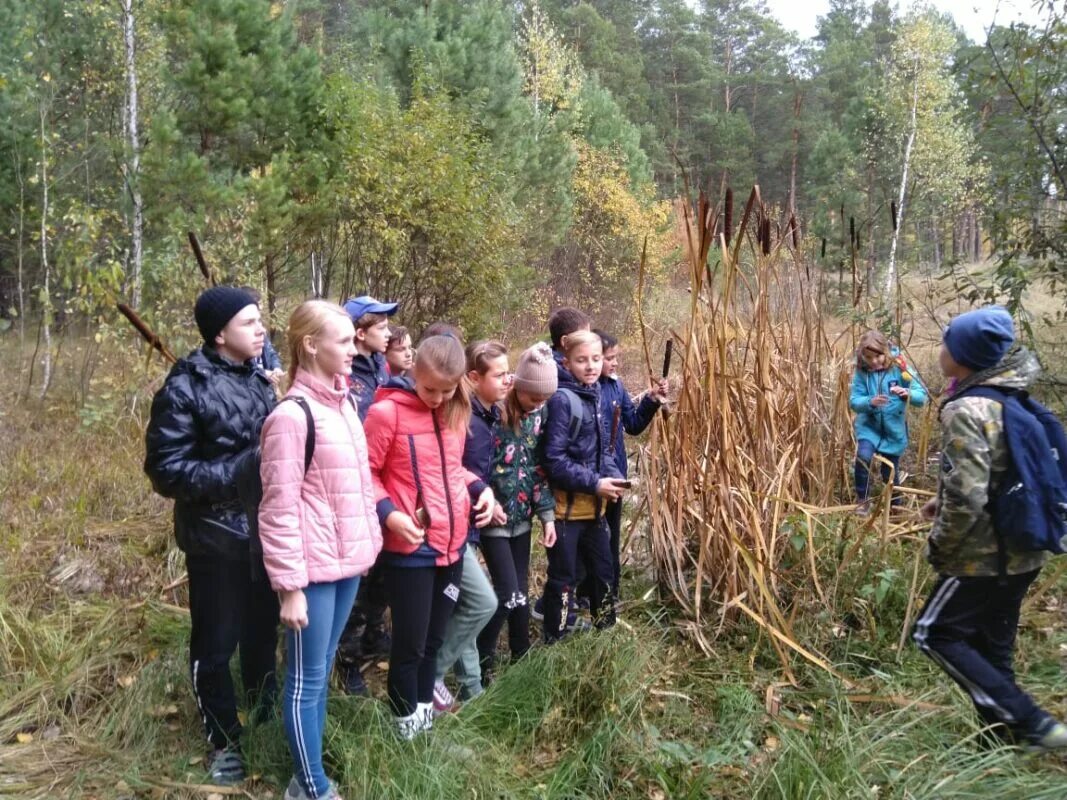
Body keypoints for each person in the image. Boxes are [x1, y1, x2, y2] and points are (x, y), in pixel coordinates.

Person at [914, 306, 1067, 752]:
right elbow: (997, 473)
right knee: (991, 646)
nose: (940, 349)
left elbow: (967, 498)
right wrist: (941, 499)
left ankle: (1032, 724)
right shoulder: (1010, 395)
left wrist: (940, 545)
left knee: (934, 632)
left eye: (946, 342)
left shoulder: (966, 407)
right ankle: (998, 745)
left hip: (982, 556)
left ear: (963, 355)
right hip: (1025, 548)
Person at [144, 286, 278, 786]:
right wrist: (242, 470)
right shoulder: (184, 387)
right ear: (220, 334)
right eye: (249, 322)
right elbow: (166, 471)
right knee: (216, 645)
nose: (261, 329)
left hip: (265, 535)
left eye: (260, 320)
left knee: (264, 636)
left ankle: (266, 720)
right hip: (215, 540)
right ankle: (223, 738)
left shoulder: (260, 382)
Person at [258, 300, 382, 800]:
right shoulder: (292, 417)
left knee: (321, 667)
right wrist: (289, 588)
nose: (354, 350)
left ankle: (307, 773)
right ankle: (311, 788)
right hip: (312, 570)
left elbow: (356, 484)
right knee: (306, 679)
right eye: (345, 341)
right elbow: (279, 506)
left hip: (348, 561)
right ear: (311, 345)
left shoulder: (344, 405)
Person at [363, 335, 496, 738]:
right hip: (411, 549)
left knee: (434, 642)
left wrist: (481, 489)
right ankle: (406, 728)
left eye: (447, 389)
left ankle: (422, 718)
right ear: (413, 375)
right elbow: (364, 473)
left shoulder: (454, 413)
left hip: (452, 546)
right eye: (428, 389)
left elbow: (452, 471)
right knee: (410, 645)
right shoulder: (387, 414)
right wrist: (388, 514)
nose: (437, 397)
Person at [432, 340, 507, 711]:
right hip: (448, 529)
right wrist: (478, 492)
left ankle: (471, 687)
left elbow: (464, 472)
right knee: (480, 603)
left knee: (471, 605)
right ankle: (431, 676)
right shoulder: (460, 417)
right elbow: (449, 470)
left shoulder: (483, 415)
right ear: (472, 378)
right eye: (500, 373)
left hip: (465, 527)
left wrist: (484, 493)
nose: (507, 380)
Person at [477, 342, 557, 675]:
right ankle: (482, 661)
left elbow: (538, 469)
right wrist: (488, 499)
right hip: (493, 520)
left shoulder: (540, 416)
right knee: (507, 592)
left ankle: (520, 658)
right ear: (518, 387)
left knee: (521, 593)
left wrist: (547, 516)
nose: (538, 404)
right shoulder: (494, 416)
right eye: (533, 397)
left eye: (544, 400)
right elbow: (477, 467)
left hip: (523, 520)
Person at [540, 329, 625, 643]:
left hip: (595, 510)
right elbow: (554, 461)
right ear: (566, 362)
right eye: (581, 360)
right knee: (564, 580)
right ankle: (555, 640)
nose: (590, 366)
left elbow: (603, 450)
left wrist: (613, 477)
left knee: (604, 574)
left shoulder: (599, 394)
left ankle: (606, 636)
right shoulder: (562, 399)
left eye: (596, 359)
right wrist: (596, 483)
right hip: (566, 512)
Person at [336, 294, 397, 694]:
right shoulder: (346, 378)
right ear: (360, 333)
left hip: (382, 486)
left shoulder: (380, 367)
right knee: (357, 580)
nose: (389, 334)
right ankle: (347, 660)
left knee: (381, 574)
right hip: (354, 492)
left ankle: (374, 635)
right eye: (382, 328)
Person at [586, 329, 667, 604]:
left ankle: (610, 595)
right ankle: (585, 594)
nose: (615, 363)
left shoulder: (617, 386)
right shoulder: (586, 391)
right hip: (592, 479)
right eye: (609, 358)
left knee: (611, 536)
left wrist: (651, 400)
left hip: (616, 476)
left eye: (615, 357)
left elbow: (632, 424)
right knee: (589, 538)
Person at [849, 330, 927, 514]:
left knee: (889, 470)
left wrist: (908, 394)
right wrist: (869, 402)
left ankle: (896, 503)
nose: (874, 361)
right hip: (869, 426)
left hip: (893, 429)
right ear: (863, 357)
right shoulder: (862, 373)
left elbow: (921, 395)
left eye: (878, 356)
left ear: (885, 351)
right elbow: (854, 401)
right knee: (863, 458)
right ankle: (863, 500)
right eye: (869, 357)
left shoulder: (900, 368)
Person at [241, 286, 284, 387]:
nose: (260, 310)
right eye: (258, 306)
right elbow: (239, 368)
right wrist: (263, 373)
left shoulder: (259, 327)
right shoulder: (241, 336)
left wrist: (276, 368)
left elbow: (271, 353)